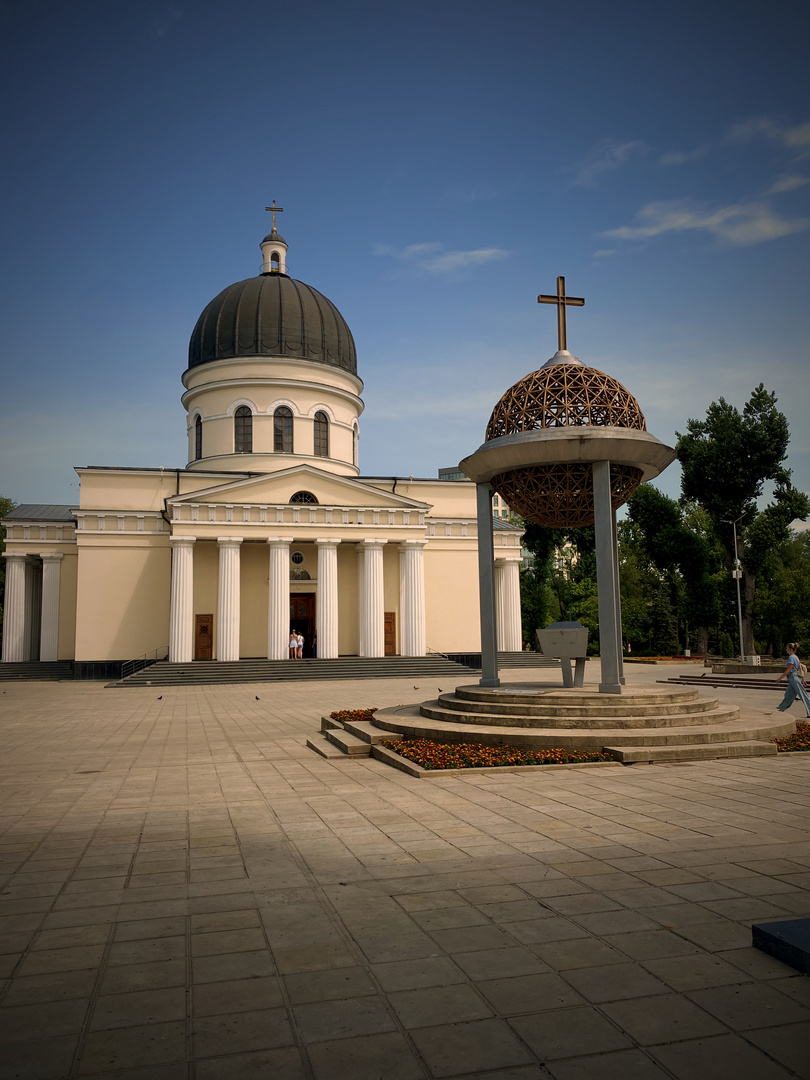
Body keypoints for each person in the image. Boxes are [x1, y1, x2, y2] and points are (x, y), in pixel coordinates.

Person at [774, 643, 810, 718]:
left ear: (790, 649)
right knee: (789, 695)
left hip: (793, 678)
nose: (786, 650)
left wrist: (780, 678)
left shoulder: (791, 658)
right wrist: (803, 679)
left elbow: (789, 670)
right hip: (794, 678)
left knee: (803, 695)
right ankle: (781, 708)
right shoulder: (796, 657)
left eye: (787, 648)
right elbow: (799, 669)